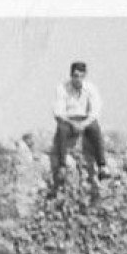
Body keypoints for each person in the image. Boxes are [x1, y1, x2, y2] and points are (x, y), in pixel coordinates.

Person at [50, 61, 105, 193]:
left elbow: (95, 111)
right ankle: (62, 166)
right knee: (61, 130)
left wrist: (83, 124)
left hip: (85, 119)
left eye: (80, 76)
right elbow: (58, 112)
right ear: (71, 75)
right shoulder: (62, 88)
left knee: (95, 129)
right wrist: (72, 123)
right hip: (68, 119)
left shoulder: (91, 88)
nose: (77, 79)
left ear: (84, 76)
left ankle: (102, 165)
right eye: (75, 76)